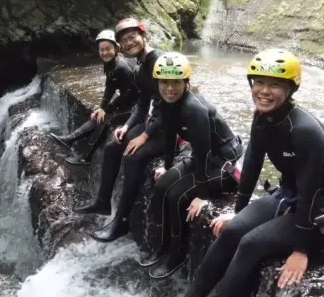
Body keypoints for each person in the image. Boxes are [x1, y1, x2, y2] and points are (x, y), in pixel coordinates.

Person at [183, 49, 324, 297]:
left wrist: (301, 249)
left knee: (250, 243)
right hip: (288, 195)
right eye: (259, 82)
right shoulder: (262, 117)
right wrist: (238, 213)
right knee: (232, 231)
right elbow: (251, 165)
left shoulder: (305, 131)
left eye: (275, 85)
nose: (264, 91)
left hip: (322, 207)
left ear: (291, 88)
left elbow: (310, 190)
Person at [139, 52, 243, 280]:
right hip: (201, 155)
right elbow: (170, 136)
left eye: (176, 82)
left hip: (222, 161)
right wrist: (167, 166)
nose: (169, 88)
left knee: (176, 196)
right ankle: (163, 246)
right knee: (161, 187)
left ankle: (176, 256)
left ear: (186, 82)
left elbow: (204, 153)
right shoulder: (166, 103)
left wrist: (202, 195)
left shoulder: (195, 109)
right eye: (164, 82)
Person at [73, 17, 169, 242]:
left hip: (174, 127)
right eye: (123, 40)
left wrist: (144, 135)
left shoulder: (159, 60)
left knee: (133, 156)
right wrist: (126, 127)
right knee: (113, 145)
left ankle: (122, 222)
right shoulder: (141, 65)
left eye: (132, 37)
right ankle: (103, 202)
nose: (128, 43)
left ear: (143, 35)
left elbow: (168, 107)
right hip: (158, 121)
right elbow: (142, 104)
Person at [49, 29, 138, 165]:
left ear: (116, 48)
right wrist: (102, 107)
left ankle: (87, 158)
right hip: (128, 101)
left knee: (106, 120)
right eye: (102, 50)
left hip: (137, 106)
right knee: (99, 115)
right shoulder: (111, 63)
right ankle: (69, 139)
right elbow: (110, 88)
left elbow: (127, 96)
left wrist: (107, 109)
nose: (104, 52)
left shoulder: (122, 68)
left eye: (108, 49)